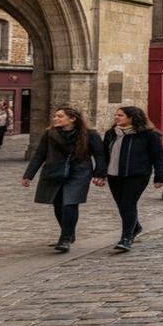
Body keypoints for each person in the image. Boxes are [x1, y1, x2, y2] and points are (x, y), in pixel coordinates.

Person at [21, 107, 107, 253]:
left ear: (72, 118)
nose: (55, 119)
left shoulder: (90, 134)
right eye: (55, 116)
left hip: (79, 172)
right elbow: (39, 155)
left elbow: (100, 155)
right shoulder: (50, 134)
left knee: (70, 203)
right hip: (54, 171)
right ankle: (68, 232)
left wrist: (99, 174)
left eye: (60, 116)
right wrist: (28, 175)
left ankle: (65, 238)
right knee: (58, 204)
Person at [102, 106, 163, 252]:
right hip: (114, 175)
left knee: (128, 203)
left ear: (132, 117)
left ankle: (126, 238)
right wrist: (101, 173)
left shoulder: (149, 135)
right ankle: (135, 227)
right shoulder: (111, 134)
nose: (116, 117)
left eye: (120, 115)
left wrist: (160, 176)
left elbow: (158, 157)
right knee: (121, 205)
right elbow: (104, 155)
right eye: (116, 115)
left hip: (137, 175)